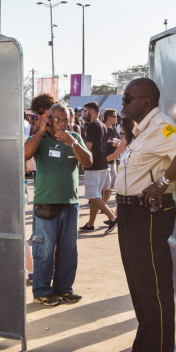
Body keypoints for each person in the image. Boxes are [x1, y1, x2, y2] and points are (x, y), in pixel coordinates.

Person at [104, 78, 176, 352]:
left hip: (149, 216)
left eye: (127, 98)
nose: (123, 103)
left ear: (145, 100)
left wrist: (162, 183)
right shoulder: (142, 130)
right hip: (131, 213)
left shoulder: (161, 126)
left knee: (154, 293)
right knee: (139, 289)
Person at [24, 95, 93, 306]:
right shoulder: (41, 140)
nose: (64, 124)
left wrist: (73, 144)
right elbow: (24, 154)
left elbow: (88, 162)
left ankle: (64, 288)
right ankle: (42, 291)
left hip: (70, 203)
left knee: (68, 250)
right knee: (43, 249)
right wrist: (40, 131)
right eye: (59, 120)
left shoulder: (74, 138)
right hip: (46, 203)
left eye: (67, 120)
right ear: (50, 119)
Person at [79, 102, 117, 232]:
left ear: (92, 111)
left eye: (85, 111)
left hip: (94, 165)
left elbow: (88, 147)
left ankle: (112, 217)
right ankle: (90, 224)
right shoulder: (101, 125)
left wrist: (79, 155)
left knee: (93, 196)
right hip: (103, 165)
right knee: (96, 196)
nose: (84, 113)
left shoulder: (93, 125)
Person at [103, 117, 134, 235]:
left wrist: (100, 160)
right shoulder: (133, 137)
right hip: (127, 170)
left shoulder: (126, 138)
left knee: (121, 196)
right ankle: (115, 217)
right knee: (121, 197)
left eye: (121, 124)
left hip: (126, 171)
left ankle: (116, 219)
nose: (119, 125)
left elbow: (115, 154)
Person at [102, 108, 120, 211]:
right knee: (106, 187)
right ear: (109, 118)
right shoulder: (102, 129)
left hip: (112, 161)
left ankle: (104, 205)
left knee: (112, 187)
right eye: (115, 116)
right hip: (104, 161)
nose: (116, 119)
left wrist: (117, 144)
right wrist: (110, 144)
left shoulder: (114, 129)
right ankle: (104, 206)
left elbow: (118, 141)